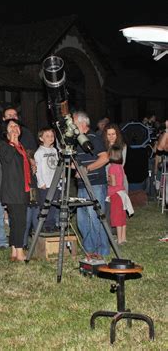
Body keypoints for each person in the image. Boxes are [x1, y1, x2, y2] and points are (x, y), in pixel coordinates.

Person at [73, 111, 110, 259]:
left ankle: (99, 251)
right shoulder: (78, 142)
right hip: (82, 185)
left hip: (95, 184)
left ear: (82, 123)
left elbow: (105, 158)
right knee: (82, 220)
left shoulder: (93, 138)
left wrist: (86, 170)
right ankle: (90, 249)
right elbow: (79, 164)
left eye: (73, 123)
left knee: (95, 217)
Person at [0, 119, 31, 261]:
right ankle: (20, 253)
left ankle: (13, 251)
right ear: (6, 132)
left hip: (22, 189)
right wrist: (12, 142)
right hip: (12, 190)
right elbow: (7, 158)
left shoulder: (21, 147)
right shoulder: (4, 145)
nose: (14, 128)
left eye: (16, 126)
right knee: (20, 221)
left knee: (16, 221)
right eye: (11, 127)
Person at [34, 127, 59, 232]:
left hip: (55, 183)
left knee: (54, 205)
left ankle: (53, 224)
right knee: (46, 205)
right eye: (47, 136)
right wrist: (41, 182)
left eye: (52, 136)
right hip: (46, 184)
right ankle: (46, 225)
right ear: (41, 138)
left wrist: (61, 179)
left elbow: (58, 165)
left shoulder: (54, 150)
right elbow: (38, 169)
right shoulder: (39, 152)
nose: (50, 138)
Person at [107, 146, 133, 245]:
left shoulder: (111, 167)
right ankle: (123, 238)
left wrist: (107, 181)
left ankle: (119, 239)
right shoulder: (120, 167)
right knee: (122, 216)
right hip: (122, 193)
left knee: (117, 217)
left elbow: (113, 183)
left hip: (115, 194)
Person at [103, 123, 128, 191]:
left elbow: (122, 163)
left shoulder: (122, 146)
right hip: (105, 177)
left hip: (119, 176)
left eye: (113, 134)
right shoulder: (102, 147)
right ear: (105, 135)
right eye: (109, 134)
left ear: (117, 134)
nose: (111, 136)